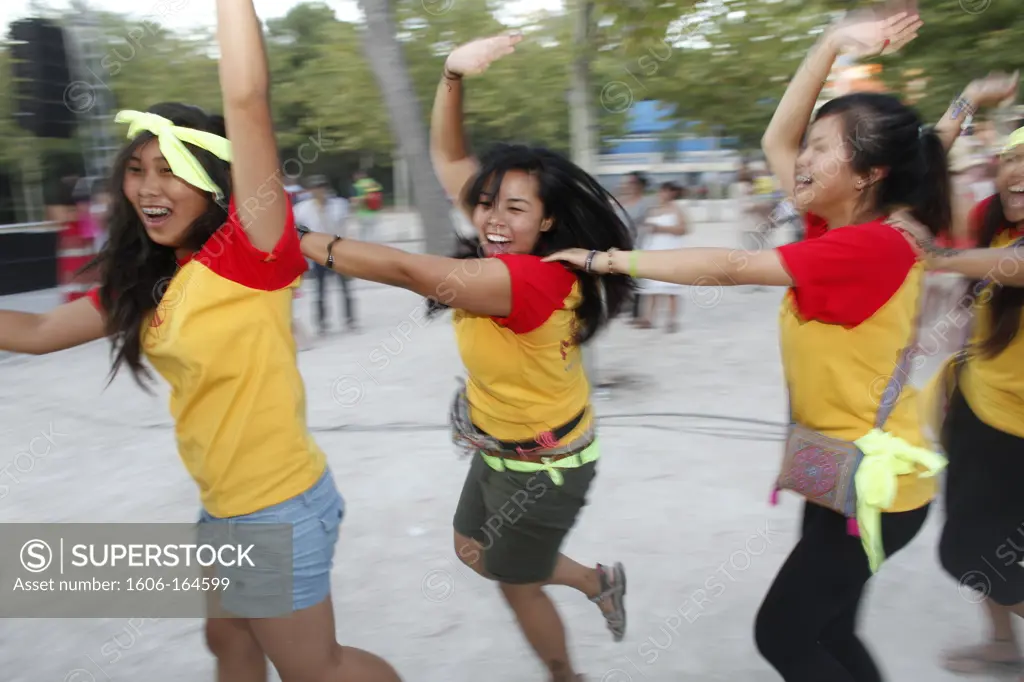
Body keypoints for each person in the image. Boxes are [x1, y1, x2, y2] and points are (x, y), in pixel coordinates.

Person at [547, 8, 958, 681]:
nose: (804, 156)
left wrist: (604, 261)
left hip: (880, 487)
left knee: (784, 637)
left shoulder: (871, 246)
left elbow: (732, 267)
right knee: (830, 631)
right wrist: (828, 46)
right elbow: (779, 136)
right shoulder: (836, 226)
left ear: (870, 174)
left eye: (825, 147)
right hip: (841, 473)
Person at [0, 0, 403, 680]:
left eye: (171, 169)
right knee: (230, 642)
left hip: (274, 506)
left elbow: (246, 98)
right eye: (137, 169)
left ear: (215, 183)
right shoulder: (152, 280)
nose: (148, 186)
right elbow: (37, 332)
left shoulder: (252, 249)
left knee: (316, 670)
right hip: (225, 507)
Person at [295, 33, 633, 682]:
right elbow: (450, 155)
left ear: (549, 223)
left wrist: (296, 238)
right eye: (486, 204)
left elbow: (406, 269)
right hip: (499, 445)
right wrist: (451, 74)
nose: (492, 218)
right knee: (473, 549)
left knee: (515, 581)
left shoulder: (532, 280)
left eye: (515, 208)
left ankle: (569, 673)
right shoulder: (497, 248)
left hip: (547, 465)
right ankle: (594, 578)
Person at [925, 115, 1024, 676]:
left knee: (969, 552)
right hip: (980, 409)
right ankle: (1002, 643)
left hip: (1016, 427)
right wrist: (963, 106)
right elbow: (921, 184)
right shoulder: (994, 220)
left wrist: (935, 258)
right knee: (983, 540)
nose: (1017, 170)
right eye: (1010, 158)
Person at [294, 175, 357, 334]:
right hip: (318, 252)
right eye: (316, 188)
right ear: (311, 190)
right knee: (320, 289)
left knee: (345, 288)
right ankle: (322, 323)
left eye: (321, 187)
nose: (319, 191)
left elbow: (346, 227)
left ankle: (350, 320)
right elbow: (297, 229)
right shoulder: (303, 208)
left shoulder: (339, 205)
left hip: (338, 250)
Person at [635, 181, 689, 332]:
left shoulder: (677, 209)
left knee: (671, 288)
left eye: (665, 191)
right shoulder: (653, 210)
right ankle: (648, 318)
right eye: (661, 191)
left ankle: (672, 320)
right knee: (652, 287)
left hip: (670, 250)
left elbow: (683, 229)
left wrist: (661, 228)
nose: (661, 194)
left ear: (672, 193)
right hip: (653, 249)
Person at [351, 170, 384, 242]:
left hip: (363, 213)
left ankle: (365, 250)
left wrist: (355, 202)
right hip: (374, 213)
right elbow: (379, 194)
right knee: (373, 234)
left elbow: (356, 199)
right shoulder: (374, 182)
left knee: (363, 235)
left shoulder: (358, 184)